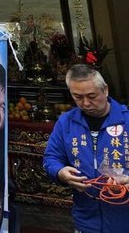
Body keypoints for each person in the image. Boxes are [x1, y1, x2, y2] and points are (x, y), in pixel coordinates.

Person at [43, 64, 129, 233]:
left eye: (92, 96)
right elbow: (51, 157)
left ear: (105, 90)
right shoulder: (66, 123)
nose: (86, 103)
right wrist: (60, 173)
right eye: (78, 97)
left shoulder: (126, 120)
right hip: (86, 218)